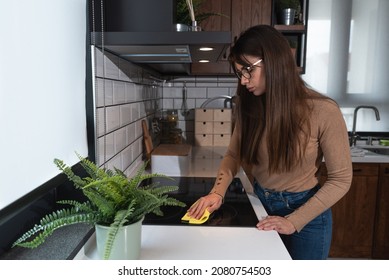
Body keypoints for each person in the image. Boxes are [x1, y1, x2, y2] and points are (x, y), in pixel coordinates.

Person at [188, 25, 353, 260]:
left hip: (306, 216)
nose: (244, 81)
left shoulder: (323, 110)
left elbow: (341, 179)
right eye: (239, 73)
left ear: (274, 61)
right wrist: (217, 193)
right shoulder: (250, 106)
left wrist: (293, 221)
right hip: (262, 207)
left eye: (248, 71)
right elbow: (234, 155)